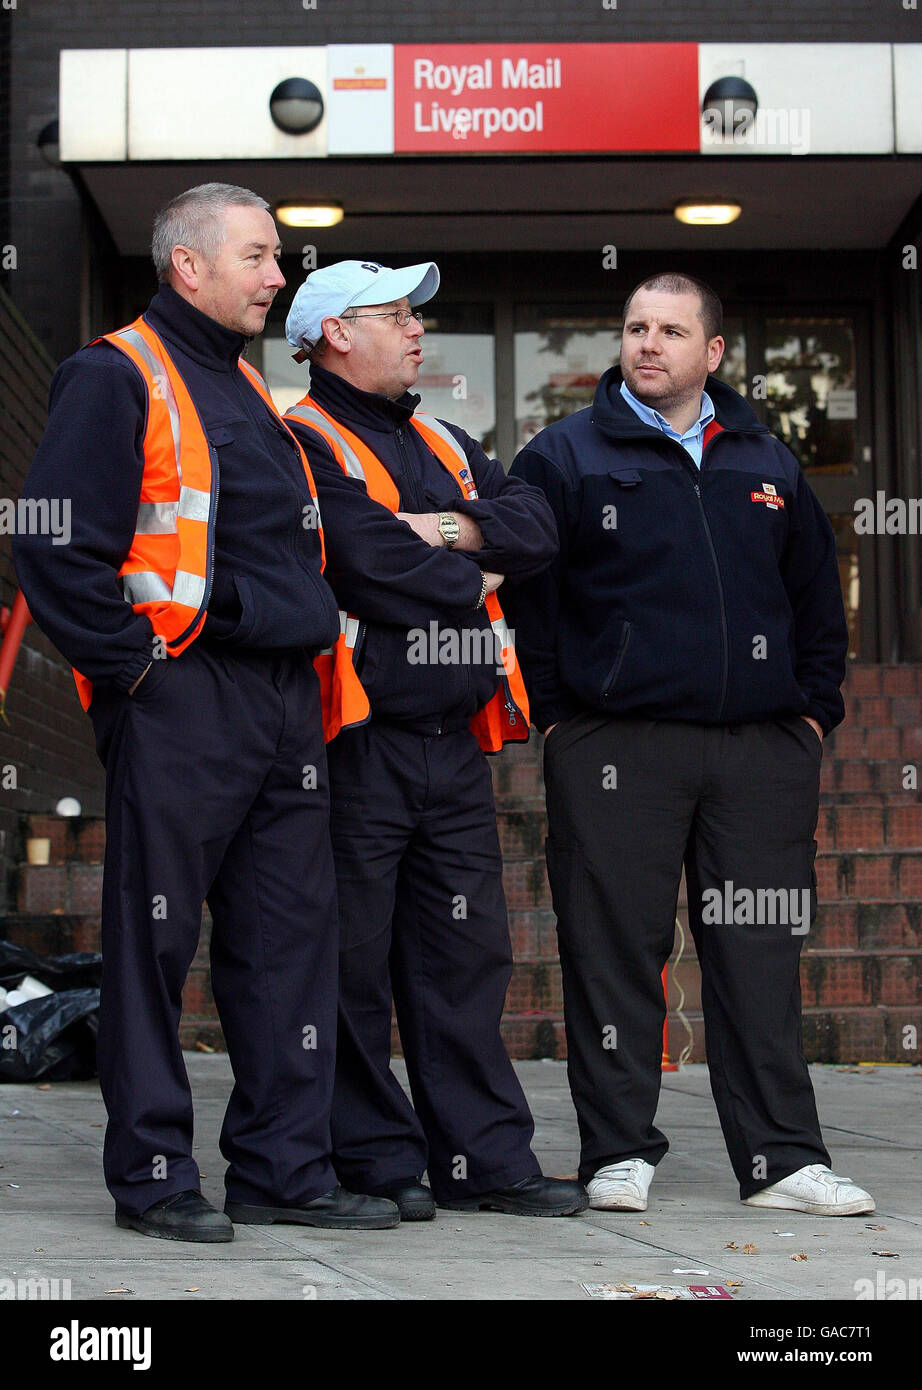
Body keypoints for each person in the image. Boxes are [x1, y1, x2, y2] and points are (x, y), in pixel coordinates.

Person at [13, 185, 398, 1240]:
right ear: (189, 266)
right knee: (154, 946)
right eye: (258, 256)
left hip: (282, 703)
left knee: (289, 945)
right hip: (183, 695)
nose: (277, 276)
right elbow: (50, 538)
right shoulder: (117, 372)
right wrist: (139, 673)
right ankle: (153, 1176)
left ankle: (283, 1169)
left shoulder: (247, 387)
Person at [504, 272, 875, 1218]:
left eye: (671, 330)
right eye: (636, 327)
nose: (648, 343)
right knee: (612, 952)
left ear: (712, 351)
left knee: (760, 955)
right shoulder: (564, 455)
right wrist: (561, 719)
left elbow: (815, 598)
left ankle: (782, 1161)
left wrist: (811, 716)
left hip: (760, 752)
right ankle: (619, 1152)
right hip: (616, 747)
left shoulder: (767, 459)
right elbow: (530, 600)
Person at [282, 259, 587, 1220]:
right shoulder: (302, 438)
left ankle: (483, 1162)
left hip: (454, 745)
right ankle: (375, 1161)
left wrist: (441, 531)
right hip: (353, 744)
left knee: (466, 960)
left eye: (417, 315)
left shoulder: (445, 438)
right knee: (351, 963)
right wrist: (475, 562)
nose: (419, 329)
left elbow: (537, 527)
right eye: (396, 314)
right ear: (336, 334)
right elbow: (364, 560)